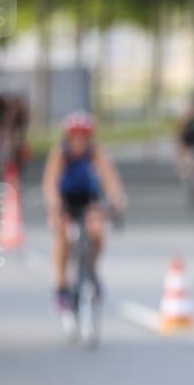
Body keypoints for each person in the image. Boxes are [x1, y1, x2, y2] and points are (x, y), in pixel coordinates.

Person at [41, 111, 126, 320]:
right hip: (65, 201)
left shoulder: (95, 152)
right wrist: (55, 205)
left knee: (97, 231)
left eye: (84, 137)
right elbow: (50, 184)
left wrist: (117, 201)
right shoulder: (60, 153)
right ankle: (61, 285)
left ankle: (91, 270)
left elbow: (110, 179)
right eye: (75, 137)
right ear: (69, 137)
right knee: (62, 235)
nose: (80, 141)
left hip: (88, 200)